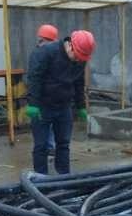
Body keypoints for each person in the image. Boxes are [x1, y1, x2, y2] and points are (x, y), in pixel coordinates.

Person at [26, 30, 95, 175]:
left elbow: (78, 82)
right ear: (70, 45)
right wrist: (33, 104)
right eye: (77, 56)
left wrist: (80, 106)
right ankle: (40, 178)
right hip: (43, 107)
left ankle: (64, 176)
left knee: (63, 144)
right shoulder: (45, 53)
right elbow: (34, 78)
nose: (78, 60)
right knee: (41, 146)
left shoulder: (80, 59)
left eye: (81, 58)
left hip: (64, 106)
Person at [35, 25, 59, 155]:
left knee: (50, 123)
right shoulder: (40, 53)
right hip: (45, 96)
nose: (40, 43)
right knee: (46, 124)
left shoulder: (53, 54)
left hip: (51, 96)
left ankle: (50, 146)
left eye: (41, 40)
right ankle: (49, 146)